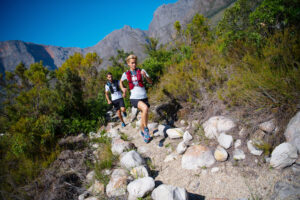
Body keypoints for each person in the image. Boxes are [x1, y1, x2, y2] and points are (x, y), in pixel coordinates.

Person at [120, 54, 153, 143]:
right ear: (128, 64)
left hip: (144, 96)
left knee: (144, 114)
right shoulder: (126, 74)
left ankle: (142, 132)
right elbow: (121, 81)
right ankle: (146, 129)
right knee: (145, 108)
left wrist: (145, 76)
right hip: (134, 98)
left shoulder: (142, 71)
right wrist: (123, 89)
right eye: (132, 63)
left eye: (135, 63)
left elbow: (150, 82)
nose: (134, 64)